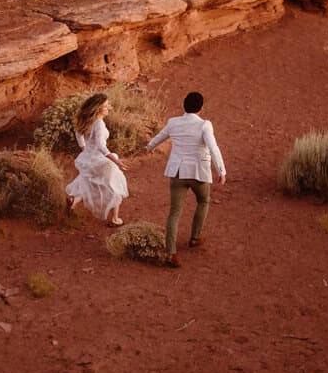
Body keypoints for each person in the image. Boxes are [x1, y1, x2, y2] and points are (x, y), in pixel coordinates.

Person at [145, 91, 226, 268]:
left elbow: (160, 136)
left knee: (174, 212)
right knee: (203, 201)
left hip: (178, 172)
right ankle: (195, 237)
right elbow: (213, 147)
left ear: (184, 106)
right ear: (201, 108)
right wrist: (221, 170)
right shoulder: (205, 125)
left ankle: (171, 252)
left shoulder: (173, 122)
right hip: (199, 173)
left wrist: (149, 146)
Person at [66, 93, 129, 226]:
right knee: (114, 185)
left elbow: (78, 134)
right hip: (99, 159)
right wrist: (116, 161)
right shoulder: (99, 123)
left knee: (88, 181)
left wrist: (85, 149)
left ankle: (74, 200)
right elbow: (101, 145)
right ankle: (115, 219)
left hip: (89, 157)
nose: (109, 108)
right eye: (106, 106)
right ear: (98, 108)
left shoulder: (87, 121)